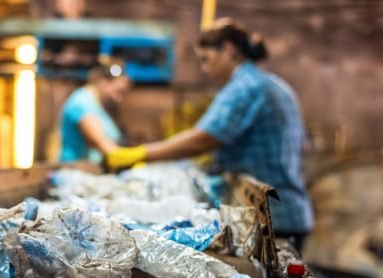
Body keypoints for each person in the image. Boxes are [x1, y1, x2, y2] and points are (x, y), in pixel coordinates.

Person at [107, 18, 313, 251]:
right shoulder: (271, 84)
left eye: (206, 59)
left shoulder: (245, 87)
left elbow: (203, 139)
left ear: (227, 49)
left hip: (275, 218)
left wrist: (141, 153)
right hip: (286, 210)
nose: (204, 69)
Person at [59, 61, 131, 162]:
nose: (120, 99)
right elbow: (104, 147)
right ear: (103, 82)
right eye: (118, 91)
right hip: (75, 171)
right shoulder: (82, 103)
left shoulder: (101, 106)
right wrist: (145, 154)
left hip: (92, 171)